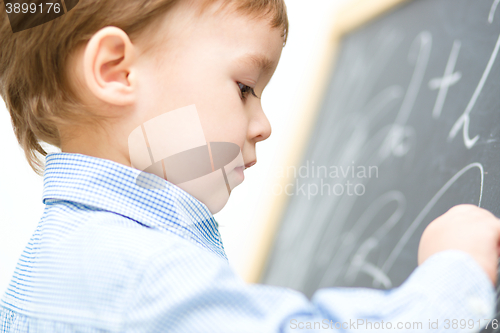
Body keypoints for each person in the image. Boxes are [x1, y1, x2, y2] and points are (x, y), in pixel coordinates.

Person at [0, 0, 499, 331]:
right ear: (117, 71)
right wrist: (455, 276)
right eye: (244, 87)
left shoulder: (57, 258)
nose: (263, 125)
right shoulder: (142, 278)